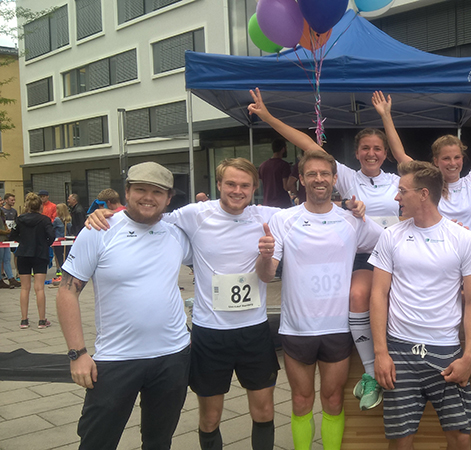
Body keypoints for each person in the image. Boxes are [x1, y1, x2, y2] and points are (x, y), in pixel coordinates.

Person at [86, 158, 365, 450]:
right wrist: (110, 213)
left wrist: (348, 205)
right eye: (230, 184)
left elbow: (313, 207)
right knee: (210, 418)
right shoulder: (196, 214)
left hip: (254, 330)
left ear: (254, 189)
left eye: (245, 185)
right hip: (210, 333)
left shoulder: (267, 216)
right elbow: (150, 214)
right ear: (218, 185)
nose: (237, 190)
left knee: (265, 411)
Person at [248, 88, 404, 411]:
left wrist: (387, 116)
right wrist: (267, 117)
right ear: (356, 154)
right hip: (358, 250)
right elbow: (309, 148)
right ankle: (372, 371)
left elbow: (410, 168)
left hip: (393, 250)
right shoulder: (345, 176)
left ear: (384, 153)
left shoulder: (395, 179)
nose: (371, 153)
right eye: (365, 148)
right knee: (358, 297)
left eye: (377, 149)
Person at [56, 162, 193, 450]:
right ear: (127, 192)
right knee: (97, 442)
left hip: (173, 356)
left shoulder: (177, 233)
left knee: (159, 441)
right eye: (140, 189)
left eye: (157, 191)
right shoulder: (99, 230)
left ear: (168, 198)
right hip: (116, 359)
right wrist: (77, 353)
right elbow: (67, 292)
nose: (148, 197)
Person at [257, 150, 383, 450]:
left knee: (333, 399)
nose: (318, 179)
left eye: (324, 174)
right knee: (301, 400)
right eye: (311, 174)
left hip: (337, 327)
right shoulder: (283, 219)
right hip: (297, 327)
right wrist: (264, 257)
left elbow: (394, 240)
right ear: (301, 179)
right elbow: (265, 276)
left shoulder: (352, 220)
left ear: (335, 179)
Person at [370, 161, 471, 449]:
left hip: (446, 351)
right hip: (400, 351)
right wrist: (380, 353)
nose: (397, 197)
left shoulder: (463, 239)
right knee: (400, 442)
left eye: (401, 191)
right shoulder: (391, 236)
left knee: (461, 440)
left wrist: (469, 357)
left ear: (422, 194)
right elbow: (378, 295)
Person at [378, 70, 471, 240]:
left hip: (470, 261)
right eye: (446, 158)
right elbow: (400, 155)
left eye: (457, 157)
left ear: (463, 159)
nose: (452, 163)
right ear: (436, 161)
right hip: (440, 259)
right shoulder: (429, 183)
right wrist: (385, 115)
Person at [10, 192, 55, 329]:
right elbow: (52, 236)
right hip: (40, 254)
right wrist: (44, 243)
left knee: (25, 288)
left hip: (23, 254)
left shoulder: (19, 219)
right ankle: (42, 320)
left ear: (27, 205)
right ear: (40, 206)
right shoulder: (45, 220)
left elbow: (13, 235)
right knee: (39, 288)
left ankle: (24, 320)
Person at [258, 139, 294, 208]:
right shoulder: (284, 165)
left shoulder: (262, 166)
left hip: (267, 203)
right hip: (282, 203)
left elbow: (263, 184)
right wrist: (294, 189)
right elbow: (285, 186)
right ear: (283, 149)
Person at [1, 193, 19, 286]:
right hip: (2, 237)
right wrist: (6, 231)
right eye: (11, 200)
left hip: (9, 238)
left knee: (7, 258)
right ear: (6, 200)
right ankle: (2, 278)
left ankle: (11, 278)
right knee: (1, 258)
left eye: (14, 200)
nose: (13, 202)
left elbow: (15, 223)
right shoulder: (2, 211)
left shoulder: (14, 211)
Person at [52, 203, 71, 278]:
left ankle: (62, 270)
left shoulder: (57, 220)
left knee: (59, 256)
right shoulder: (69, 218)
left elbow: (52, 228)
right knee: (66, 256)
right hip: (68, 240)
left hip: (59, 241)